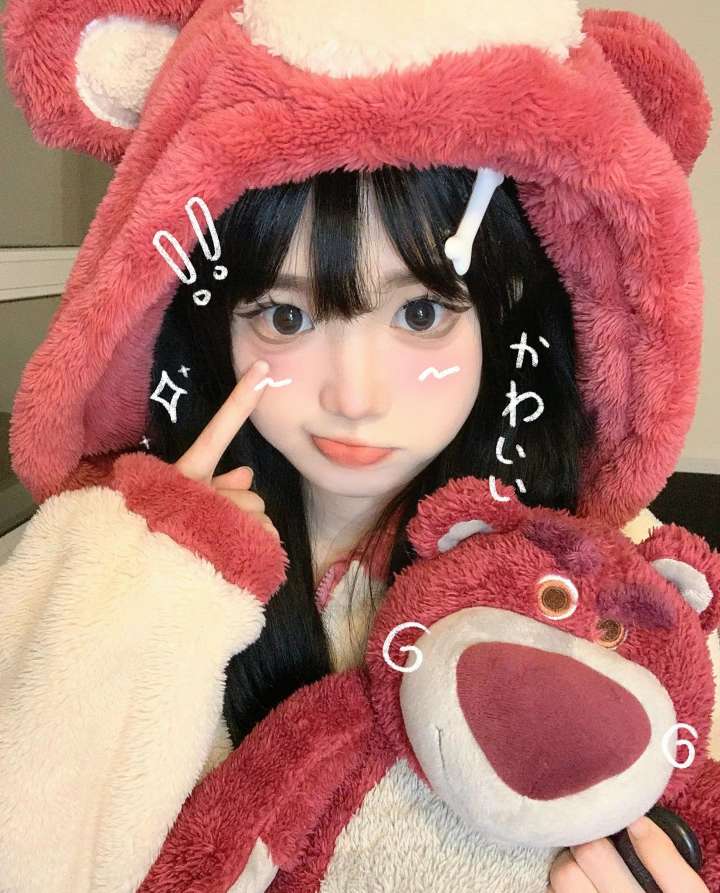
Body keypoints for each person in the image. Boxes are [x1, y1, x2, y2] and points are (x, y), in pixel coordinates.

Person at [0, 1, 715, 891]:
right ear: (214, 322)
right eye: (285, 316)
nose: (355, 397)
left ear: (501, 315)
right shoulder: (105, 558)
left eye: (420, 312)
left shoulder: (627, 584)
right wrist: (150, 579)